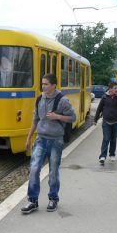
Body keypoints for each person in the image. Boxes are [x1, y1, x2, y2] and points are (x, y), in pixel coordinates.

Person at [21, 73, 76, 214]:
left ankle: (53, 198)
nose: (43, 86)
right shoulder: (40, 99)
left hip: (56, 140)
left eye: (45, 84)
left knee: (53, 172)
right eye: (42, 84)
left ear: (53, 85)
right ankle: (32, 201)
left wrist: (57, 116)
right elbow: (35, 120)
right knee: (34, 169)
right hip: (40, 139)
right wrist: (28, 138)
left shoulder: (62, 100)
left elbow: (72, 117)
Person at [94, 82, 117, 164]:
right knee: (106, 138)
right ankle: (102, 156)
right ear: (110, 89)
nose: (116, 89)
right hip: (106, 121)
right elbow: (99, 108)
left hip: (116, 121)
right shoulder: (104, 97)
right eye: (115, 88)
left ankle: (112, 154)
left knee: (113, 139)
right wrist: (95, 119)